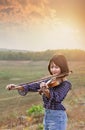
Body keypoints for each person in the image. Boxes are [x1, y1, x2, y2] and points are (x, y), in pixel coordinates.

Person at [6, 54, 72, 130]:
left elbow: (57, 98)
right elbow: (34, 85)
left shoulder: (66, 84)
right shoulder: (51, 80)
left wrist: (46, 91)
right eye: (52, 67)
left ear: (63, 67)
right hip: (47, 115)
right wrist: (16, 87)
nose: (53, 70)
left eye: (56, 67)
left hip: (57, 117)